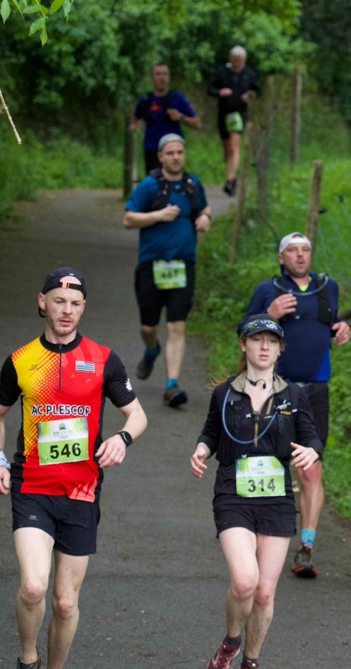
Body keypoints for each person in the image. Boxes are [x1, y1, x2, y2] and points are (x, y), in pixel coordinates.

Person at [0, 266, 148, 669]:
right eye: (59, 301)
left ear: (83, 308)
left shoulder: (103, 360)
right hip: (33, 486)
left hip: (81, 491)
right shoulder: (21, 360)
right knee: (34, 586)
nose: (67, 311)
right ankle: (26, 661)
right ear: (43, 302)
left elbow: (137, 415)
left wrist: (122, 439)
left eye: (75, 304)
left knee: (64, 603)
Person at [190, 315, 322, 669]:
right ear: (243, 345)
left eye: (271, 341)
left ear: (280, 350)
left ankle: (251, 662)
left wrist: (311, 451)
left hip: (276, 499)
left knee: (264, 593)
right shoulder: (224, 394)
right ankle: (231, 641)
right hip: (233, 494)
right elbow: (210, 433)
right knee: (245, 580)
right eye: (256, 339)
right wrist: (201, 450)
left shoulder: (293, 395)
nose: (264, 347)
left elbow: (312, 438)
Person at [244, 232, 351, 578]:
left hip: (316, 390)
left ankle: (306, 548)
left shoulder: (326, 286)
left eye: (305, 250)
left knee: (310, 468)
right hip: (275, 390)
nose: (300, 255)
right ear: (281, 258)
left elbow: (328, 324)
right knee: (268, 464)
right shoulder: (268, 289)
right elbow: (243, 330)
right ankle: (259, 536)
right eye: (293, 250)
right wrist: (269, 313)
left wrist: (340, 328)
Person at [123, 133, 213, 408]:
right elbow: (128, 219)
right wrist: (158, 216)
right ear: (160, 156)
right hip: (152, 265)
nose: (175, 157)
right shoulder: (149, 186)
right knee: (148, 326)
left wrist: (205, 217)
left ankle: (172, 385)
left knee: (177, 325)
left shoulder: (192, 183)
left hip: (183, 265)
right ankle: (151, 349)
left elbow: (204, 207)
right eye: (170, 153)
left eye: (179, 152)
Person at [206, 45, 260, 197]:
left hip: (239, 113)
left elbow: (257, 91)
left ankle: (229, 180)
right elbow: (210, 89)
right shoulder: (221, 72)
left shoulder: (249, 74)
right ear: (230, 59)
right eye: (235, 60)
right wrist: (220, 92)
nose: (237, 63)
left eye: (240, 60)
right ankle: (232, 176)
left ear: (244, 60)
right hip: (224, 113)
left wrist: (249, 96)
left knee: (234, 145)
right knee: (227, 148)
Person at [129, 62, 202, 173]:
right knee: (153, 181)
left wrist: (181, 117)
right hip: (151, 149)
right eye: (158, 74)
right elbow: (135, 119)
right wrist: (134, 127)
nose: (162, 78)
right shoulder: (145, 99)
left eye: (165, 74)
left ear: (169, 78)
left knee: (173, 179)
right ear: (152, 77)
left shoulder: (177, 98)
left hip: (173, 150)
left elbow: (197, 124)